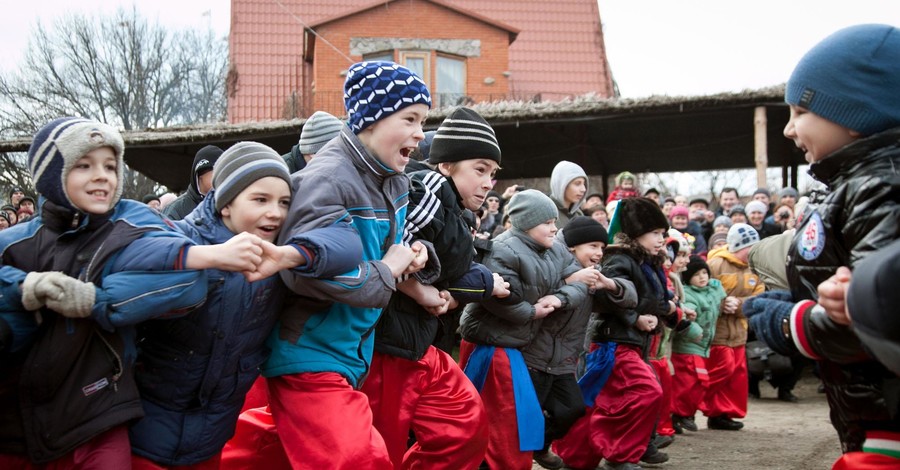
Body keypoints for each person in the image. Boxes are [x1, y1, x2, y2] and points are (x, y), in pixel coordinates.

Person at [129, 142, 362, 468]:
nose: (276, 213)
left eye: (284, 202)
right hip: (145, 431)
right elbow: (132, 250)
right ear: (225, 205)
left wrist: (290, 255)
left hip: (211, 435)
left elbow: (348, 245)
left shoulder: (275, 253)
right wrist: (207, 260)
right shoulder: (185, 238)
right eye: (260, 199)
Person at [246, 61, 430, 469]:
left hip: (349, 349)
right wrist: (388, 268)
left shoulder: (394, 177)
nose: (420, 133)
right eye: (411, 119)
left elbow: (387, 248)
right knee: (359, 459)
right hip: (310, 349)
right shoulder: (326, 179)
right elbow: (307, 272)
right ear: (371, 120)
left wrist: (414, 256)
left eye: (423, 121)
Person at [0, 117, 213, 467]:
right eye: (84, 165)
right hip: (16, 422)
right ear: (51, 174)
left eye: (111, 166)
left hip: (101, 413)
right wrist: (24, 287)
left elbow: (184, 275)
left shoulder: (128, 230)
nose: (102, 175)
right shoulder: (15, 244)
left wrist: (94, 299)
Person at [742, 24, 900, 456]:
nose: (789, 130)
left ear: (855, 115)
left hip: (887, 422)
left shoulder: (881, 189)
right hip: (869, 412)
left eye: (800, 112)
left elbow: (879, 322)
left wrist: (788, 323)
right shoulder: (853, 186)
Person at [360, 107, 509, 469]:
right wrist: (418, 291)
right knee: (382, 449)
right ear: (445, 165)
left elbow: (447, 272)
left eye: (492, 173)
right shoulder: (427, 191)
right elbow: (390, 245)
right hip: (388, 346)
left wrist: (476, 285)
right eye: (479, 169)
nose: (489, 183)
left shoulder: (455, 209)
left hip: (417, 343)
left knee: (464, 428)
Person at [459, 190, 588, 470]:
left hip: (517, 345)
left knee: (514, 418)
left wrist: (559, 297)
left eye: (555, 220)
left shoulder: (555, 248)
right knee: (499, 417)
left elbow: (581, 282)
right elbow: (498, 300)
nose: (555, 228)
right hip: (491, 346)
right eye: (547, 222)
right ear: (527, 222)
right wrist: (532, 312)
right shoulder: (502, 250)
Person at [553, 197, 678, 470]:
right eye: (655, 232)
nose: (661, 239)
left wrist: (669, 308)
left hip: (632, 343)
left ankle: (575, 456)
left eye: (663, 233)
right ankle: (619, 455)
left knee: (601, 400)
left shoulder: (649, 261)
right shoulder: (620, 258)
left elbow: (649, 299)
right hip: (612, 342)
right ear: (636, 232)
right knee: (646, 392)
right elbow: (604, 298)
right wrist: (635, 319)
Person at [527, 216, 633, 469]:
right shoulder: (550, 261)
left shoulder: (595, 277)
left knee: (572, 409)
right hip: (534, 356)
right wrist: (570, 282)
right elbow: (537, 290)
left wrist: (609, 283)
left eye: (602, 248)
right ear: (574, 246)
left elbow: (629, 297)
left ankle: (540, 446)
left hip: (565, 361)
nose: (599, 253)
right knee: (527, 414)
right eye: (593, 246)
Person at [703, 223, 765, 431]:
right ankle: (701, 406)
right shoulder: (715, 264)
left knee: (736, 377)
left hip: (739, 330)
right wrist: (721, 303)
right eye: (750, 247)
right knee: (722, 370)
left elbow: (761, 295)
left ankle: (723, 414)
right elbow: (702, 290)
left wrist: (739, 304)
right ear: (738, 247)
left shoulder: (757, 267)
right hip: (718, 332)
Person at [671, 256, 728, 434]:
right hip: (689, 346)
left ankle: (683, 414)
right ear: (688, 278)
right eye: (696, 274)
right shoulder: (690, 295)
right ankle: (680, 413)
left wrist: (720, 290)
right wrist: (693, 330)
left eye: (705, 273)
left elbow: (719, 293)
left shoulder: (711, 289)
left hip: (703, 347)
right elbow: (685, 316)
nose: (702, 277)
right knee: (690, 383)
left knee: (696, 383)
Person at [163, 145, 223, 220]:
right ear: (200, 175)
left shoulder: (229, 205)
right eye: (217, 172)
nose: (223, 178)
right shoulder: (175, 212)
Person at [549, 160, 588, 228]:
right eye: (577, 183)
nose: (583, 189)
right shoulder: (547, 213)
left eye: (584, 184)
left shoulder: (579, 215)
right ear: (562, 185)